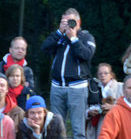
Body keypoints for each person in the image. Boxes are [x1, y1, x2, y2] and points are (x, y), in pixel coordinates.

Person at [41, 8, 96, 139]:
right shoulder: (59, 37)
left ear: (79, 22)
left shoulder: (86, 37)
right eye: (63, 21)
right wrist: (59, 32)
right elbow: (44, 48)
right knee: (56, 129)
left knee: (78, 130)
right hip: (57, 87)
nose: (67, 25)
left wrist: (74, 39)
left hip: (77, 88)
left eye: (70, 21)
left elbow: (86, 55)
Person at [86, 64, 124, 139]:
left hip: (116, 123)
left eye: (106, 73)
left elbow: (128, 107)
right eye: (100, 74)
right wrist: (89, 113)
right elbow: (83, 109)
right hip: (97, 125)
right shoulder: (93, 89)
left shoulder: (121, 87)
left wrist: (114, 107)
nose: (103, 75)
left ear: (111, 75)